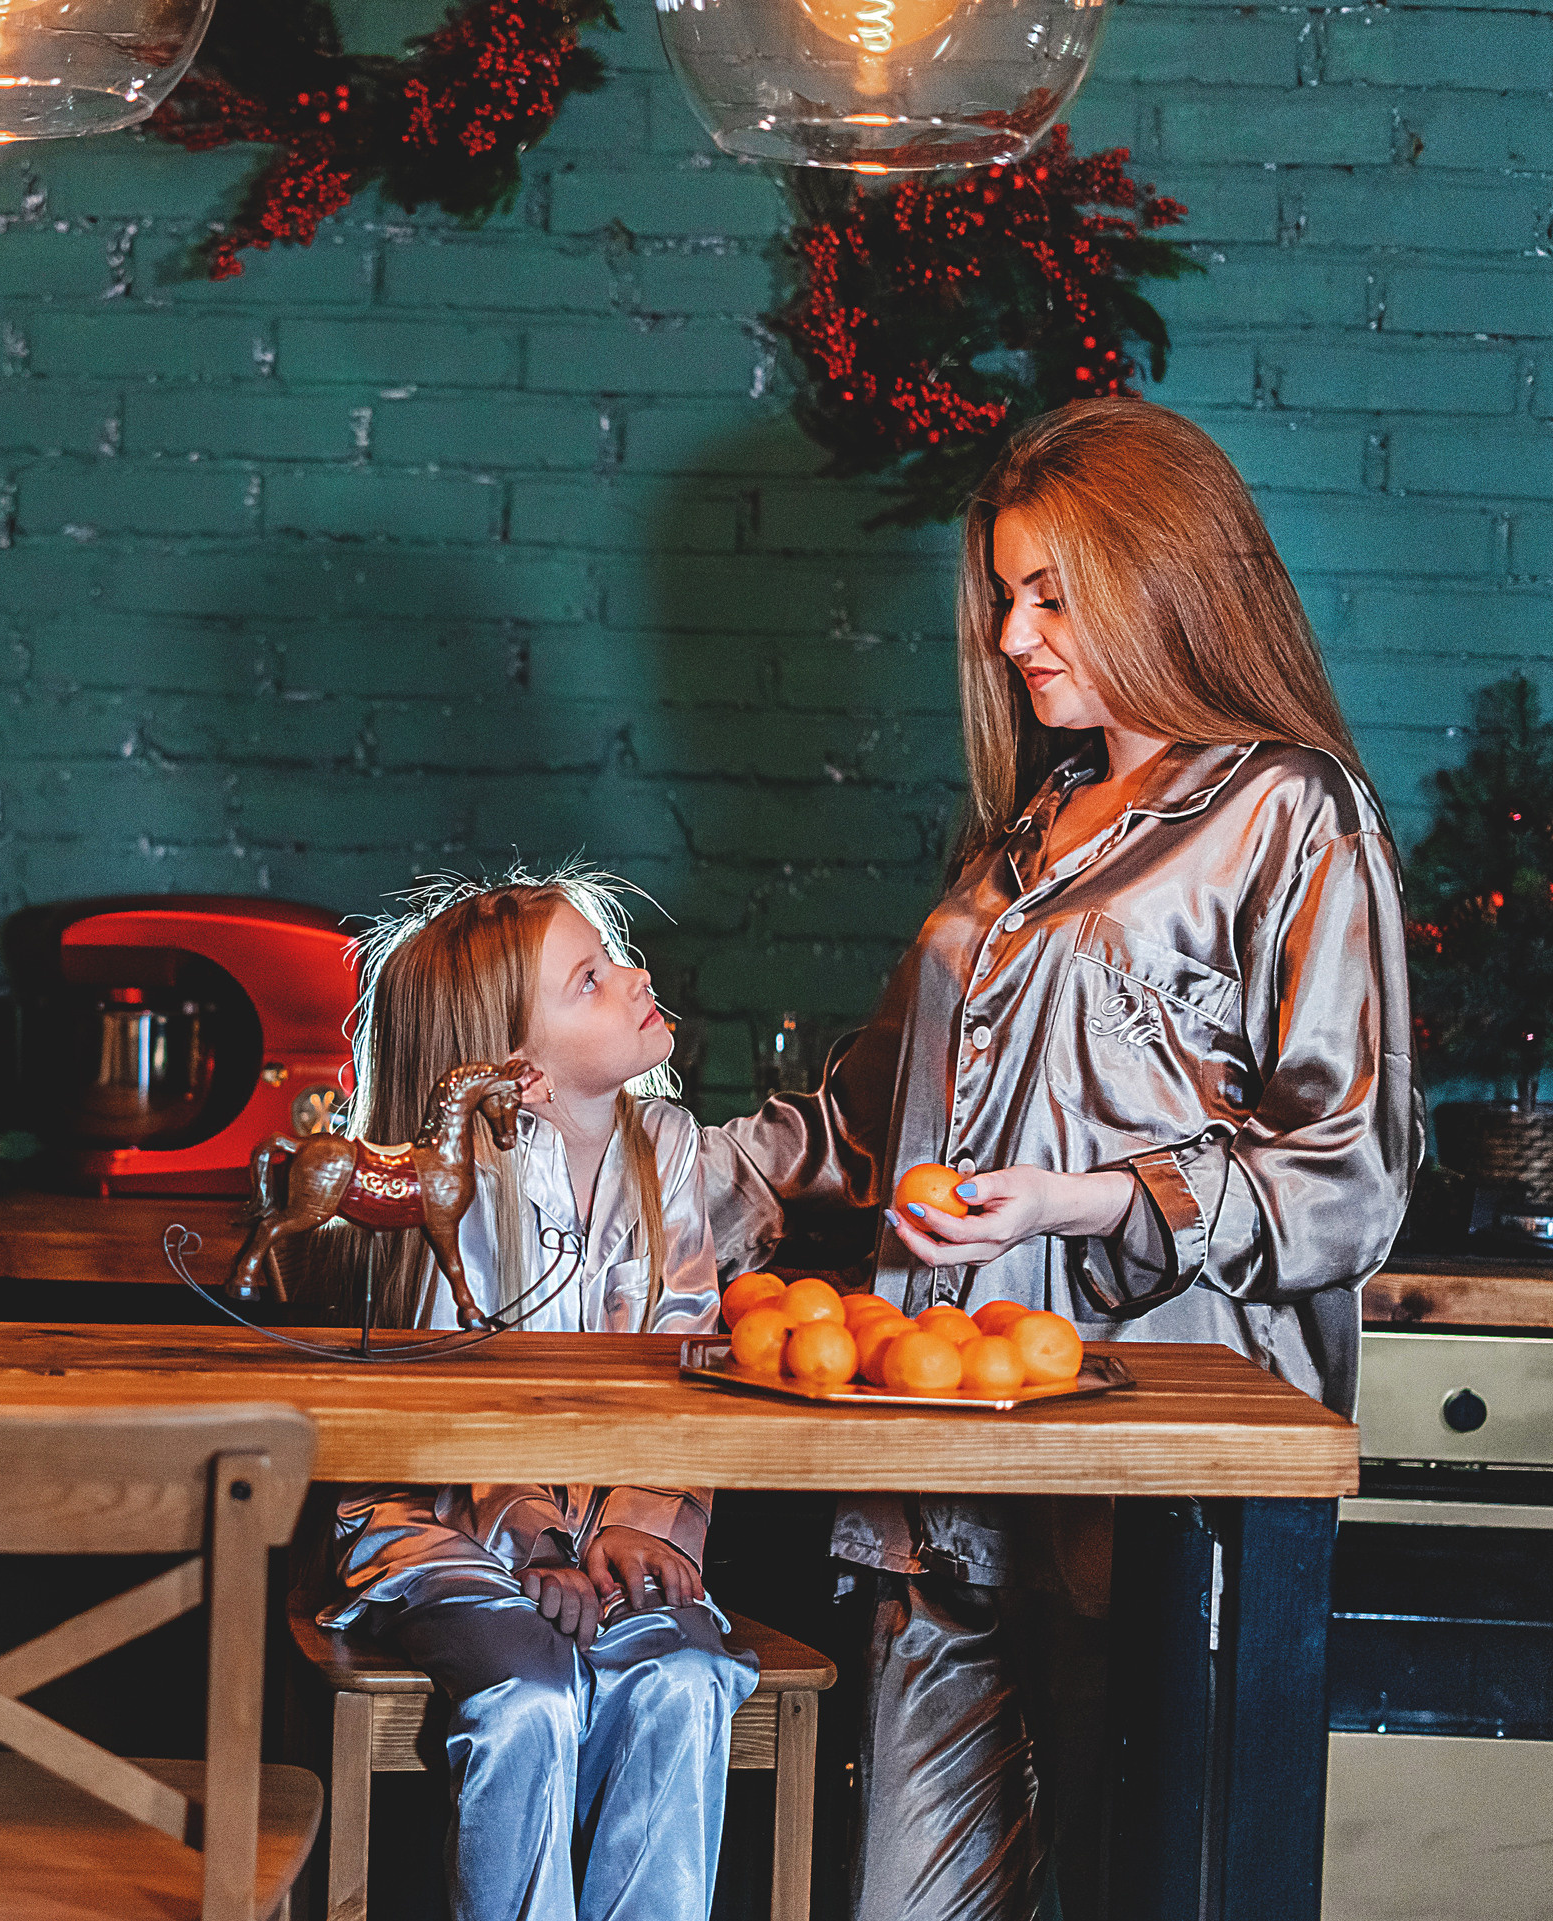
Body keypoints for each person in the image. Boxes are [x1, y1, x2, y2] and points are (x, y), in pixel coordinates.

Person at [697, 396, 1420, 1919]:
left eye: (1054, 593)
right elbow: (849, 1134)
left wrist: (1083, 1198)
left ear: (1172, 581)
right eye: (1005, 595)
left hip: (1149, 1471)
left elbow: (1350, 1169)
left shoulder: (1292, 811)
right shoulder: (1021, 843)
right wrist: (599, 1158)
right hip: (945, 1457)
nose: (1016, 636)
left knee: (1137, 1876)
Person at [313, 870, 759, 1921]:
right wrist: (537, 1537)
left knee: (685, 1682)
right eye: (591, 979)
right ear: (520, 1073)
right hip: (442, 1527)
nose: (635, 976)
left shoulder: (669, 1150)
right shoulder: (459, 1176)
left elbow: (684, 1357)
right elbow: (463, 1402)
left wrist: (652, 1528)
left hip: (616, 1531)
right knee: (532, 1696)